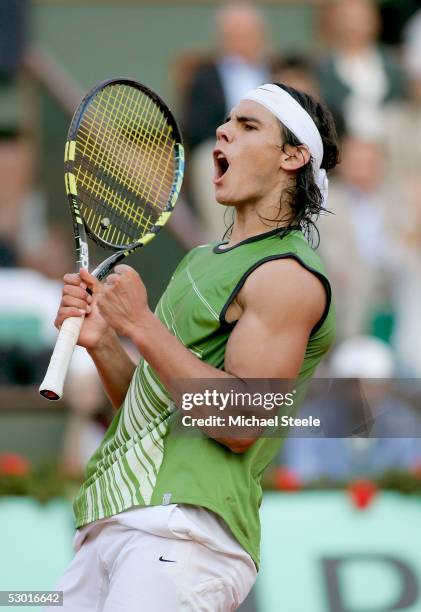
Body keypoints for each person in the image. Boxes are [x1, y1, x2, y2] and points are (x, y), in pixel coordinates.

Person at [50, 83, 339, 611]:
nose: (223, 130)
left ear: (293, 156)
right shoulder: (203, 259)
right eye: (228, 120)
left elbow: (239, 422)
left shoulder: (286, 275)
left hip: (183, 537)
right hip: (114, 521)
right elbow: (158, 409)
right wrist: (105, 343)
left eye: (249, 126)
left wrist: (140, 324)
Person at [182, 2, 270, 240]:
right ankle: (224, 245)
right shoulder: (204, 78)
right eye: (234, 34)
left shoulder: (275, 73)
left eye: (246, 34)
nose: (240, 41)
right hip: (226, 151)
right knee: (205, 159)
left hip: (271, 151)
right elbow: (196, 129)